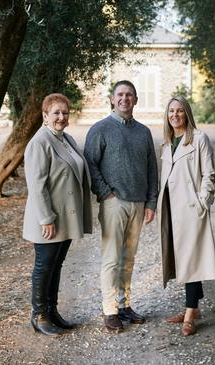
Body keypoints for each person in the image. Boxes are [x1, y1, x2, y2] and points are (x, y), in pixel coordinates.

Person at [84, 80, 159, 333]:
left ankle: (125, 305)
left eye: (129, 95)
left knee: (128, 259)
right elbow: (90, 165)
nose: (125, 99)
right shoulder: (101, 129)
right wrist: (106, 194)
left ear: (135, 100)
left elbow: (151, 169)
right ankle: (110, 310)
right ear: (113, 99)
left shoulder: (144, 132)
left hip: (138, 203)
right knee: (112, 258)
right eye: (120, 95)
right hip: (114, 203)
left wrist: (151, 202)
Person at [23, 93, 92, 336]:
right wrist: (46, 218)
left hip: (66, 217)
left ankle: (52, 311)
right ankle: (39, 315)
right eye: (56, 113)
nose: (61, 117)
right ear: (45, 116)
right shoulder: (40, 142)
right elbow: (37, 185)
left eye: (65, 113)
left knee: (56, 265)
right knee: (44, 266)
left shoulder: (67, 139)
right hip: (49, 220)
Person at [157, 96, 215, 336]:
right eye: (171, 111)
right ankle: (193, 308)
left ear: (187, 114)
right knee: (182, 258)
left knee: (191, 260)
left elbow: (209, 174)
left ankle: (190, 313)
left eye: (180, 111)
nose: (175, 115)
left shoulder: (199, 139)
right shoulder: (167, 142)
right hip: (171, 209)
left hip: (191, 209)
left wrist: (202, 202)